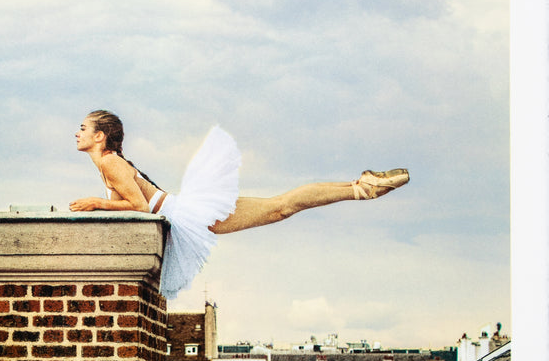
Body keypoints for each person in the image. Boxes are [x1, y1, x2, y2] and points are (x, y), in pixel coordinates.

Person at [70, 109, 409, 300]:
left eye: (83, 128)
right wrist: (102, 204)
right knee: (280, 206)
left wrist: (95, 203)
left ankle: (360, 187)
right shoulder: (108, 163)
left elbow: (140, 208)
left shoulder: (109, 162)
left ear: (100, 136)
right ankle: (360, 187)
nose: (77, 133)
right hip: (183, 212)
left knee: (281, 207)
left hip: (185, 214)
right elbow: (131, 206)